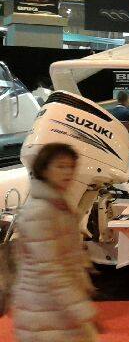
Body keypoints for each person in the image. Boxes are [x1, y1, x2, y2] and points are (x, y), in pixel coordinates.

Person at [12, 143, 98, 341]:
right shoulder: (39, 211)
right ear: (44, 169)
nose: (68, 172)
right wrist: (82, 309)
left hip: (56, 306)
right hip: (44, 306)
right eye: (60, 166)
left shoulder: (58, 204)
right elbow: (51, 269)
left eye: (71, 167)